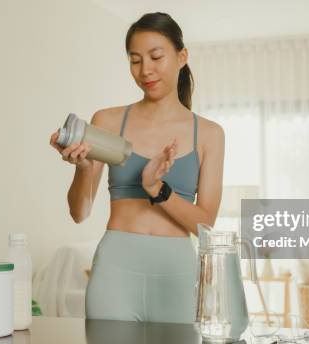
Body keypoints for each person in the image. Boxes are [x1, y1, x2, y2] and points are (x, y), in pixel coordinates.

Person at [49, 12, 225, 324]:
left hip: (177, 273)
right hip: (116, 268)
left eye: (156, 57)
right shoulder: (108, 120)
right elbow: (80, 213)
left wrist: (156, 189)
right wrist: (84, 168)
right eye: (135, 60)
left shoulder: (209, 134)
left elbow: (205, 225)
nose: (146, 70)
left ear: (181, 56)